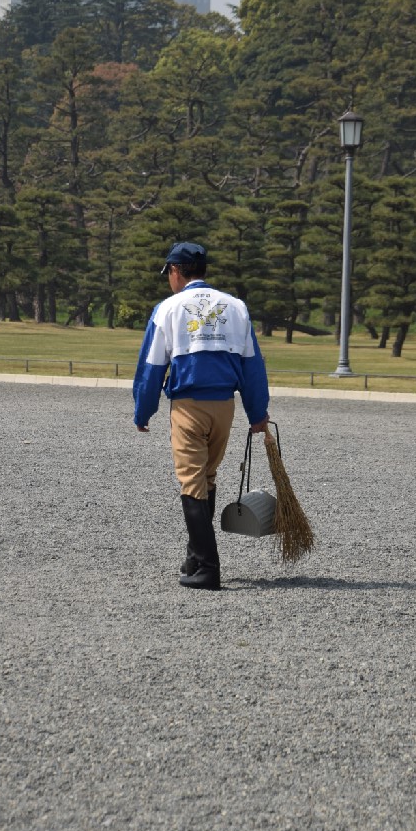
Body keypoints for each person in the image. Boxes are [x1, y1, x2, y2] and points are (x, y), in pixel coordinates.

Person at [133, 241, 270, 591]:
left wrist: (143, 410)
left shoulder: (168, 309)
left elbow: (152, 366)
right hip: (224, 407)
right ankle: (194, 557)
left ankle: (208, 568)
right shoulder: (236, 307)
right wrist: (258, 413)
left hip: (189, 406)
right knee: (207, 478)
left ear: (175, 271)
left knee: (191, 482)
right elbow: (252, 366)